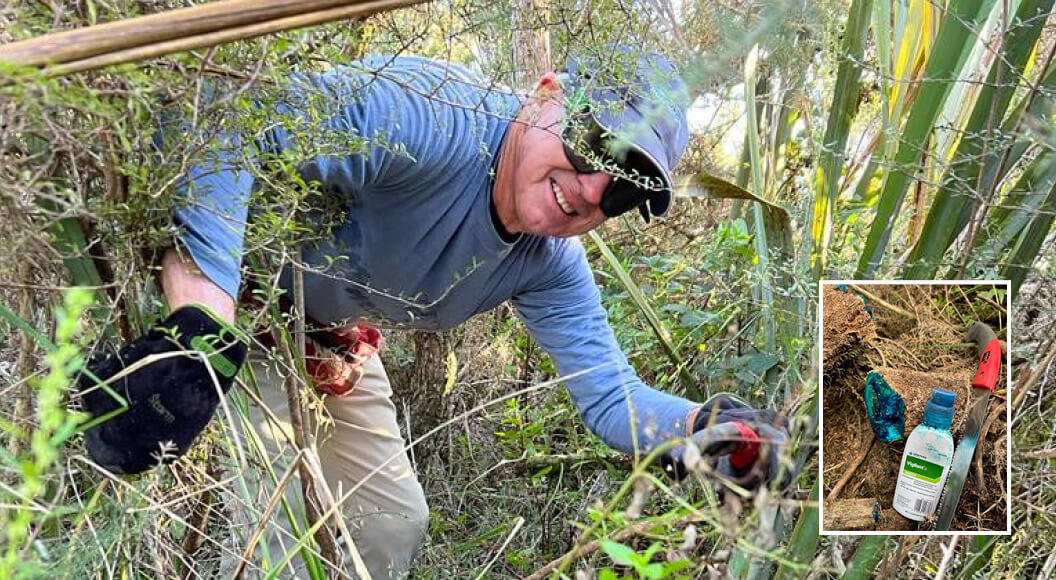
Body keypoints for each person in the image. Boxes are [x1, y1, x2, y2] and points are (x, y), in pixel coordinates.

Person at [76, 50, 791, 578]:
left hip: (332, 344)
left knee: (393, 524)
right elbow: (231, 128)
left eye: (628, 189)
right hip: (241, 300)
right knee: (277, 533)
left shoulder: (547, 264)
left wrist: (707, 427)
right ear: (545, 96)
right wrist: (200, 331)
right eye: (597, 143)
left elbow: (611, 399)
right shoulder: (429, 120)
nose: (594, 187)